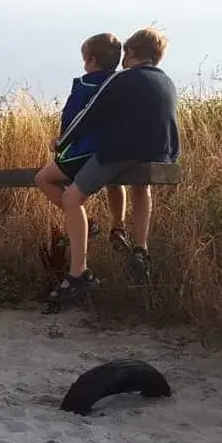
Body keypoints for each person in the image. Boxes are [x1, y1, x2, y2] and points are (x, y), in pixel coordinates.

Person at [48, 25, 180, 309]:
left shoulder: (122, 80)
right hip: (163, 152)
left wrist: (61, 143)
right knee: (140, 186)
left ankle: (78, 273)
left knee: (72, 197)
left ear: (131, 53)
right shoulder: (167, 81)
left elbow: (87, 114)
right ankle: (140, 246)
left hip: (124, 151)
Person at [33, 33, 129, 251]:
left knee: (43, 178)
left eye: (84, 59)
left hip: (84, 152)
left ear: (92, 60)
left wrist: (59, 144)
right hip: (116, 151)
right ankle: (118, 226)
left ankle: (88, 223)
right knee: (115, 181)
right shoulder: (121, 84)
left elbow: (72, 118)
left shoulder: (85, 84)